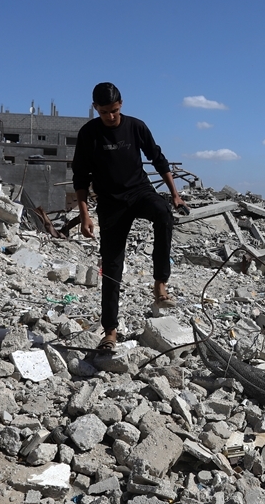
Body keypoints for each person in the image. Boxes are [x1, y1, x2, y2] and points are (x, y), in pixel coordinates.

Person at [72, 82, 185, 350]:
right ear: (95, 108)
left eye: (114, 110)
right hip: (111, 203)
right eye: (104, 112)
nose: (110, 117)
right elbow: (80, 176)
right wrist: (85, 215)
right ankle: (110, 331)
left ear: (121, 105)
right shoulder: (89, 134)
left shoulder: (136, 127)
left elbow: (157, 158)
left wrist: (175, 193)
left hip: (139, 192)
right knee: (112, 266)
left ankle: (160, 285)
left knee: (163, 213)